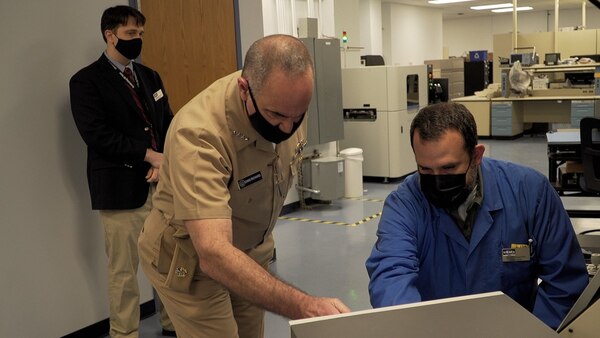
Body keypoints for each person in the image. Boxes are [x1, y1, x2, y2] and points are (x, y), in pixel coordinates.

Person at [138, 34, 350, 338]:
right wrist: (305, 306)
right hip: (191, 259)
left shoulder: (286, 103)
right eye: (276, 115)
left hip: (249, 251)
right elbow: (213, 252)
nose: (288, 128)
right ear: (244, 90)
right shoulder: (199, 135)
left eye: (298, 116)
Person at [365, 102, 589, 330]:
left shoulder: (530, 193)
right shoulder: (405, 204)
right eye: (425, 169)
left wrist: (535, 334)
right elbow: (390, 274)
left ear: (476, 156)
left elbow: (564, 283)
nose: (437, 179)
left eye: (449, 168)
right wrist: (411, 330)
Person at [69, 6, 176, 338]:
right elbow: (98, 135)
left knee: (169, 263)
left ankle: (174, 324)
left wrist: (165, 162)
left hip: (160, 185)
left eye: (141, 34)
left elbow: (168, 124)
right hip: (119, 189)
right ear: (109, 35)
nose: (137, 40)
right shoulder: (86, 82)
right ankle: (125, 334)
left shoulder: (151, 77)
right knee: (124, 272)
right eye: (131, 34)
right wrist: (148, 156)